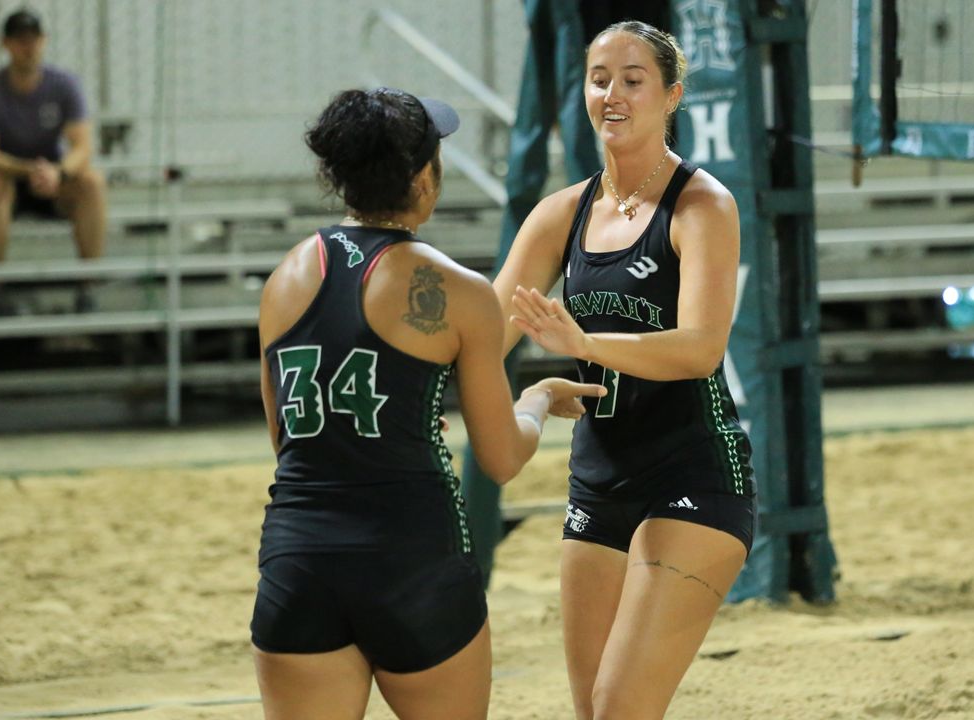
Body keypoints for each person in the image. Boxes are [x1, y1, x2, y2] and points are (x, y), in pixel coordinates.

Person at [251, 87, 605, 720]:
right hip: (413, 558)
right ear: (422, 179)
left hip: (300, 557)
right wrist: (538, 400)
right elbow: (500, 459)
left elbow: (290, 436)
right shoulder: (453, 289)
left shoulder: (286, 276)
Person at [492, 21, 755, 719]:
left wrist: (585, 340)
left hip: (695, 474)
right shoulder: (560, 214)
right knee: (593, 713)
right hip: (599, 479)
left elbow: (699, 347)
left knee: (619, 709)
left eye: (632, 80)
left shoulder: (702, 206)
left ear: (671, 95)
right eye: (599, 78)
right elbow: (486, 333)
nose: (612, 93)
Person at [0, 9, 105, 312]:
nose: (28, 48)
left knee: (92, 182)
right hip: (8, 176)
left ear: (44, 41)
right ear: (5, 44)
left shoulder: (65, 84)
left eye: (33, 40)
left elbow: (82, 145)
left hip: (51, 177)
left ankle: (88, 285)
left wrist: (59, 173)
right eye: (20, 41)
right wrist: (28, 170)